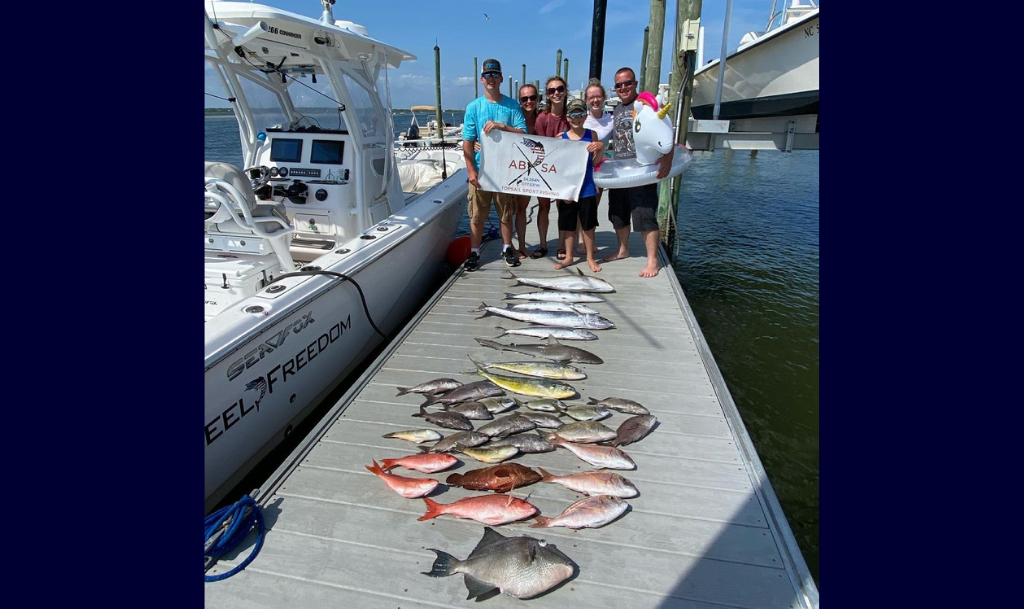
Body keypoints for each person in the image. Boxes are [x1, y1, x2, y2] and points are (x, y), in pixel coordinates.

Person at [603, 67, 674, 278]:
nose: (623, 88)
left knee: (645, 215)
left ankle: (652, 260)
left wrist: (668, 156)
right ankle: (623, 249)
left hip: (643, 169)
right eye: (618, 85)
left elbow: (666, 130)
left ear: (635, 83)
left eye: (627, 83)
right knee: (618, 213)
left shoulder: (646, 106)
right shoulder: (615, 110)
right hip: (620, 170)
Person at [461, 58, 527, 271]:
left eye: (494, 75)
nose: (491, 79)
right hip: (481, 170)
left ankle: (507, 247)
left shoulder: (512, 105)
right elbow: (468, 140)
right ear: (482, 79)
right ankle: (474, 251)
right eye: (487, 75)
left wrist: (503, 126)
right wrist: (471, 170)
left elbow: (523, 133)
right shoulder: (473, 107)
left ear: (500, 78)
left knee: (506, 212)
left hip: (505, 170)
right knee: (477, 214)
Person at [554, 98, 604, 273]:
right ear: (568, 117)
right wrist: (561, 191)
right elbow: (557, 166)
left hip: (588, 188)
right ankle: (569, 256)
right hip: (568, 189)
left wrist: (601, 148)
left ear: (585, 115)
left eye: (580, 114)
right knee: (568, 224)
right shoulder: (561, 138)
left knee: (589, 224)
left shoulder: (593, 135)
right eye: (573, 114)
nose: (577, 118)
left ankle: (590, 258)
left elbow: (595, 162)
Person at [530, 76, 569, 260]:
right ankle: (543, 244)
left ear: (565, 91)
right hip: (545, 169)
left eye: (559, 89)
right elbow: (540, 146)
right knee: (543, 206)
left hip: (565, 170)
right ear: (547, 95)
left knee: (563, 207)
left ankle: (562, 246)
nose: (556, 93)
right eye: (552, 90)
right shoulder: (542, 118)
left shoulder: (572, 115)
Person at [579, 78, 613, 254]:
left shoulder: (611, 119)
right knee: (581, 204)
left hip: (599, 166)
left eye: (598, 96)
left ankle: (589, 240)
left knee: (593, 205)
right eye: (591, 97)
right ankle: (580, 241)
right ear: (586, 100)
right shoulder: (581, 119)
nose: (595, 100)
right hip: (581, 168)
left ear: (604, 97)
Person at [512, 83, 541, 258]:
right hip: (517, 169)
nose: (529, 101)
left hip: (540, 170)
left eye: (532, 97)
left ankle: (543, 244)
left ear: (538, 99)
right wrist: (477, 141)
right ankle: (519, 245)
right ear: (520, 101)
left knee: (542, 207)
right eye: (524, 98)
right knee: (518, 209)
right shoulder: (514, 118)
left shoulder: (543, 118)